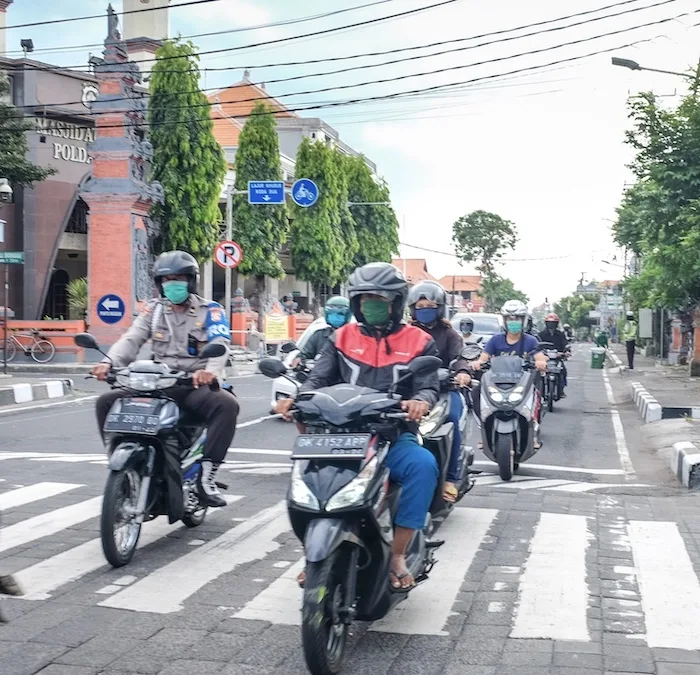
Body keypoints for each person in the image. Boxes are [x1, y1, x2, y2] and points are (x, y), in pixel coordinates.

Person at [277, 262, 440, 592]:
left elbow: (428, 384)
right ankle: (314, 554)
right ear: (356, 303)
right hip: (339, 437)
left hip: (391, 436)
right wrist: (297, 399)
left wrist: (420, 400)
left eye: (380, 299)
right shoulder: (341, 337)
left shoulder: (418, 341)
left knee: (423, 466)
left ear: (395, 303)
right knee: (303, 479)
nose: (372, 305)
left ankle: (397, 554)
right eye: (365, 300)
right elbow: (317, 379)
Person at [91, 250, 239, 508]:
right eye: (167, 279)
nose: (173, 284)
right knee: (106, 402)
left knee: (227, 404)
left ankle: (207, 476)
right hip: (158, 384)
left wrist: (210, 372)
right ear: (160, 284)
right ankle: (120, 464)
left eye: (179, 278)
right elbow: (131, 339)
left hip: (192, 384)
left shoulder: (210, 310)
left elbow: (220, 342)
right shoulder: (153, 311)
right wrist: (109, 362)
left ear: (191, 281)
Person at [408, 281, 471, 503]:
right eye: (421, 306)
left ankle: (450, 478)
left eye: (431, 306)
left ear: (440, 308)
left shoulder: (449, 334)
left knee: (452, 420)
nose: (425, 310)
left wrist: (462, 372)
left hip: (445, 389)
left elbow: (460, 357)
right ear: (413, 308)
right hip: (412, 392)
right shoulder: (406, 332)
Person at [470, 300, 548, 449]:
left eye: (517, 318)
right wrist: (478, 363)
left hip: (522, 382)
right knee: (476, 392)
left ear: (524, 320)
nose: (513, 322)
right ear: (504, 321)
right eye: (509, 319)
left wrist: (541, 362)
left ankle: (534, 431)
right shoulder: (495, 340)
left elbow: (539, 356)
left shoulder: (531, 341)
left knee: (536, 393)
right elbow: (484, 357)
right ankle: (484, 429)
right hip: (497, 381)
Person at [296, 296, 351, 362]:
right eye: (332, 314)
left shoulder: (356, 336)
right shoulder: (319, 335)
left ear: (348, 315)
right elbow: (304, 354)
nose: (335, 317)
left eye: (340, 314)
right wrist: (299, 360)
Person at [538, 312, 569, 398]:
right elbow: (537, 345)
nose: (551, 325)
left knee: (563, 371)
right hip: (544, 358)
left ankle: (561, 390)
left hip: (557, 358)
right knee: (537, 371)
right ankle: (537, 390)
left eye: (553, 323)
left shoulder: (560, 334)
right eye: (549, 323)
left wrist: (566, 351)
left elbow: (565, 344)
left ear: (556, 324)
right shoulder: (541, 334)